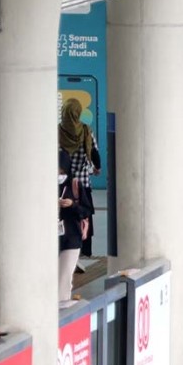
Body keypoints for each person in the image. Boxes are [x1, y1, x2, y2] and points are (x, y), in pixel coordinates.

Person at [59, 98, 100, 258]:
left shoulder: (58, 131)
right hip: (82, 182)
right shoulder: (85, 130)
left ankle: (66, 248)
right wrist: (97, 167)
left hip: (63, 183)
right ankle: (85, 250)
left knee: (64, 215)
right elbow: (94, 152)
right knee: (85, 214)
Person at [58, 149, 91, 306]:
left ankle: (61, 312)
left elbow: (87, 210)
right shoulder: (44, 186)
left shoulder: (74, 185)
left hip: (71, 239)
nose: (58, 173)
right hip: (50, 240)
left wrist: (72, 205)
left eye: (61, 169)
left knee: (64, 279)